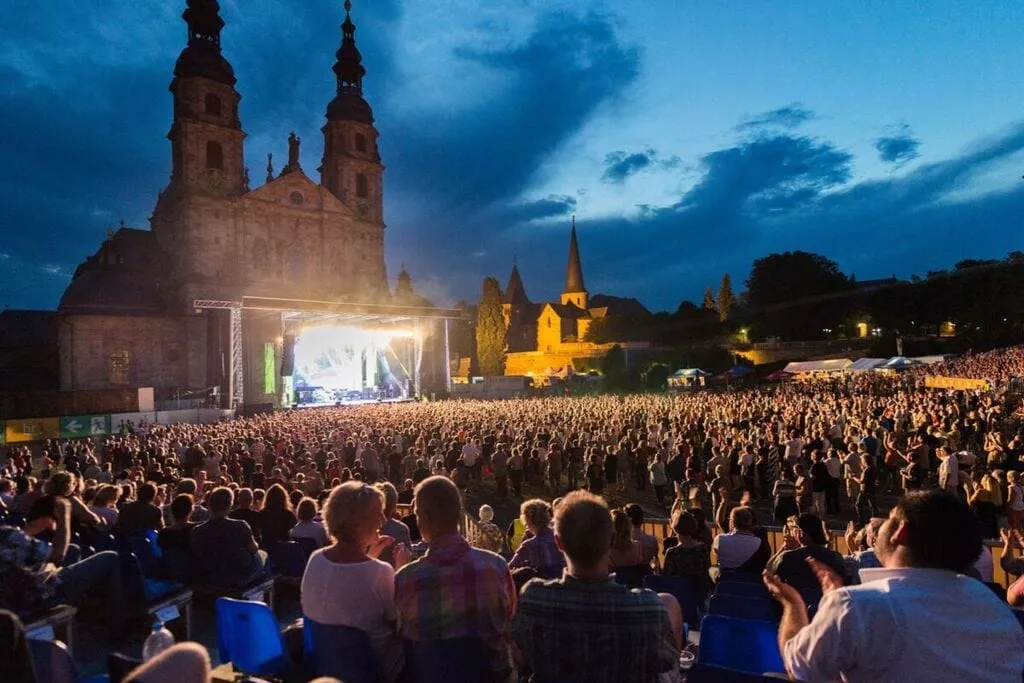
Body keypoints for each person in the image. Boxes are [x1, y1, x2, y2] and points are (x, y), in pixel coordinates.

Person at [764, 489, 1024, 682]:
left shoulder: (855, 606)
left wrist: (793, 604)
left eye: (888, 518)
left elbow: (798, 670)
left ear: (901, 532)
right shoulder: (993, 606)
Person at [511, 490, 680, 683]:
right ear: (611, 539)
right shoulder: (648, 608)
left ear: (558, 542)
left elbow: (519, 658)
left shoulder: (534, 598)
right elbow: (669, 667)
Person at [395, 477, 516, 680]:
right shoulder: (496, 566)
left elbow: (397, 634)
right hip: (491, 675)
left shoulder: (406, 579)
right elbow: (509, 618)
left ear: (423, 516)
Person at [300, 482, 409, 683]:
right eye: (378, 515)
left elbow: (346, 584)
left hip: (327, 666)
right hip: (375, 669)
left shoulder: (315, 559)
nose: (384, 520)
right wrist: (402, 570)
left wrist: (370, 555)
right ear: (357, 523)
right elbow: (400, 621)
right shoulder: (380, 572)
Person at [190, 487, 266, 587]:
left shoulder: (197, 530)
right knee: (263, 555)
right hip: (238, 575)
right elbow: (253, 548)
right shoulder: (240, 525)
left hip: (211, 574)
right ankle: (267, 593)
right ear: (230, 504)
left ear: (210, 505)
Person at [768, 513, 845, 591]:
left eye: (792, 530)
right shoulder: (836, 557)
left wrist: (783, 549)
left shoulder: (788, 558)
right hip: (827, 601)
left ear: (800, 533)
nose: (790, 534)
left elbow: (769, 575)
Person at [508, 499, 565, 581]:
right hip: (562, 585)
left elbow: (509, 568)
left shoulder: (529, 545)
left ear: (528, 520)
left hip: (540, 588)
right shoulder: (561, 539)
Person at [662, 508, 710, 600]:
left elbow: (667, 577)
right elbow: (706, 570)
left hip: (679, 594)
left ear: (675, 527)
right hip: (699, 593)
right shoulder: (703, 548)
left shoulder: (672, 552)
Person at [712, 506, 768, 572]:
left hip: (725, 578)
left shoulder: (719, 539)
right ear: (749, 522)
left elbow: (715, 552)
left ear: (732, 522)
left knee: (712, 570)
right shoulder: (758, 541)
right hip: (750, 579)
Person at [624, 503, 660, 569]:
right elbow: (656, 563)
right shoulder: (653, 541)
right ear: (642, 519)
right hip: (646, 577)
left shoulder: (619, 543)